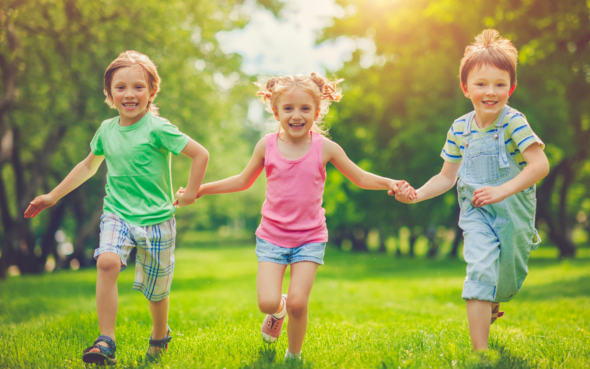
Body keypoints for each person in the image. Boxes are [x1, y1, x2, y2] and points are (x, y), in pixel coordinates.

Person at [190, 73, 407, 360]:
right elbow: (243, 180)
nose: (296, 115)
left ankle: (294, 356)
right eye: (288, 108)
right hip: (272, 237)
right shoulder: (266, 146)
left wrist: (389, 182)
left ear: (317, 112)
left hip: (310, 238)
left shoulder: (325, 148)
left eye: (305, 109)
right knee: (268, 302)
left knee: (298, 303)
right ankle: (276, 310)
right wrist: (201, 189)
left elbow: (360, 176)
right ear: (276, 111)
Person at [23, 51, 209, 365]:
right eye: (120, 87)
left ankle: (160, 334)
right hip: (117, 214)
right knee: (107, 262)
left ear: (152, 92)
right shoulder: (107, 131)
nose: (129, 93)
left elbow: (200, 154)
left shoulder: (158, 129)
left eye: (138, 86)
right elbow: (87, 166)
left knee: (156, 292)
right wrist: (53, 196)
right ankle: (105, 340)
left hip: (158, 219)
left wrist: (190, 193)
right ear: (109, 94)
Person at [395, 30, 549, 350]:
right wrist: (418, 194)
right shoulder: (459, 129)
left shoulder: (513, 122)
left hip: (514, 212)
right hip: (477, 213)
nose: (490, 92)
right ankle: (479, 352)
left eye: (499, 84)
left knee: (507, 281)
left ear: (511, 88)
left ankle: (493, 302)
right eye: (481, 84)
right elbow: (447, 176)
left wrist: (502, 190)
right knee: (479, 269)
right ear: (466, 88)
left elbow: (539, 166)